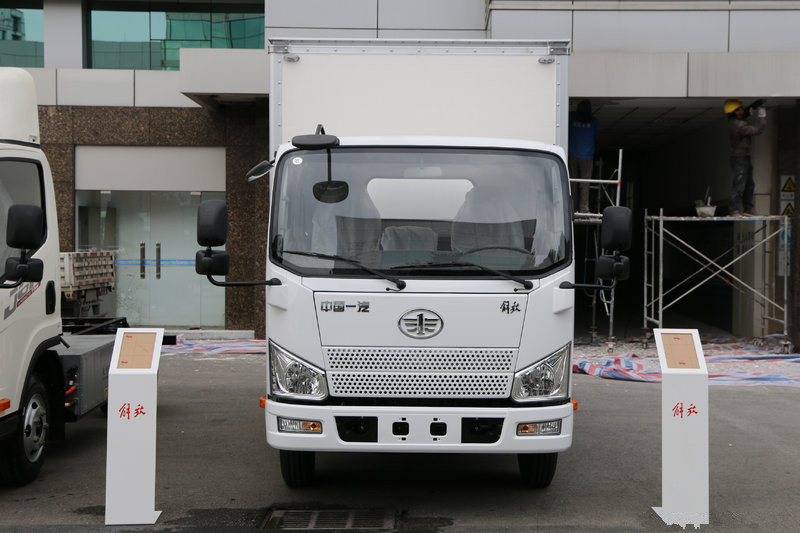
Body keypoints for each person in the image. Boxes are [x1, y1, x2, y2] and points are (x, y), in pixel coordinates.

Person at [725, 98, 767, 217]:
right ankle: (733, 210)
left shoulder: (735, 119)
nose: (743, 110)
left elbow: (745, 114)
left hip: (744, 157)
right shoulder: (738, 125)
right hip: (739, 159)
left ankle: (748, 208)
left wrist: (754, 106)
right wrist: (762, 117)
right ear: (735, 112)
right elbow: (758, 130)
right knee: (739, 184)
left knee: (749, 184)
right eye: (740, 108)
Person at [568, 99, 599, 213]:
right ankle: (583, 208)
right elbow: (597, 136)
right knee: (584, 184)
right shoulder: (593, 121)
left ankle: (573, 207)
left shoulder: (572, 118)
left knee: (572, 183)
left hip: (573, 154)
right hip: (587, 156)